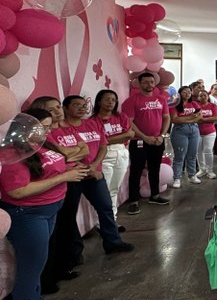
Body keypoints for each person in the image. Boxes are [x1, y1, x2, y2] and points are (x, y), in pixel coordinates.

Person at [0, 108, 90, 300]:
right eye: (44, 127)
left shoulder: (43, 145)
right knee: (31, 268)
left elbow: (48, 169)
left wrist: (69, 169)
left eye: (50, 127)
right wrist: (64, 176)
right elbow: (17, 191)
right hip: (28, 215)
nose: (49, 131)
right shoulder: (12, 153)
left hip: (50, 210)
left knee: (37, 264)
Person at [58, 95, 135, 268]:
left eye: (83, 105)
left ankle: (113, 242)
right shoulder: (60, 129)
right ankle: (75, 253)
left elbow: (103, 145)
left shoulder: (91, 124)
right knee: (68, 215)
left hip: (94, 174)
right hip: (72, 176)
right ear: (65, 108)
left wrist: (94, 165)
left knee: (106, 207)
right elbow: (62, 155)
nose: (81, 108)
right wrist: (84, 167)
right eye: (76, 105)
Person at [122, 72, 171, 215]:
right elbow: (129, 122)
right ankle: (133, 201)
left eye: (151, 82)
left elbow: (166, 118)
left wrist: (162, 135)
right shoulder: (131, 101)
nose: (149, 84)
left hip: (157, 140)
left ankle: (154, 195)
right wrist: (144, 137)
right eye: (145, 82)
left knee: (155, 168)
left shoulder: (161, 99)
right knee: (136, 170)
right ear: (139, 83)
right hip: (139, 141)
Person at [91, 89, 134, 225]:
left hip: (121, 152)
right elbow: (99, 141)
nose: (111, 102)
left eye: (114, 100)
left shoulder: (120, 116)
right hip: (104, 154)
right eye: (107, 99)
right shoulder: (92, 121)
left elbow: (130, 134)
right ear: (99, 101)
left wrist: (109, 139)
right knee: (104, 190)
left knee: (114, 188)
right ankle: (100, 222)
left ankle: (112, 220)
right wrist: (118, 137)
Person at [170, 86, 202, 188]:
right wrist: (191, 117)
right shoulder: (175, 105)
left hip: (194, 130)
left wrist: (188, 119)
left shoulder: (194, 104)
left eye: (189, 92)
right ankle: (177, 178)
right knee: (180, 156)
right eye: (184, 92)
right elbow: (175, 120)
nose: (187, 94)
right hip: (180, 131)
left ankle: (192, 175)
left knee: (192, 154)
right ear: (179, 93)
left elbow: (199, 116)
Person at [196, 89, 217, 179]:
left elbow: (215, 118)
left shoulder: (213, 106)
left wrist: (202, 120)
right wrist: (207, 119)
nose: (203, 97)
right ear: (198, 97)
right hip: (197, 132)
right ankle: (202, 169)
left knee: (208, 150)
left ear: (208, 96)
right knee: (199, 151)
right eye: (201, 96)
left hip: (210, 132)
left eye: (204, 95)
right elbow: (194, 118)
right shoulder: (196, 106)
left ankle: (210, 170)